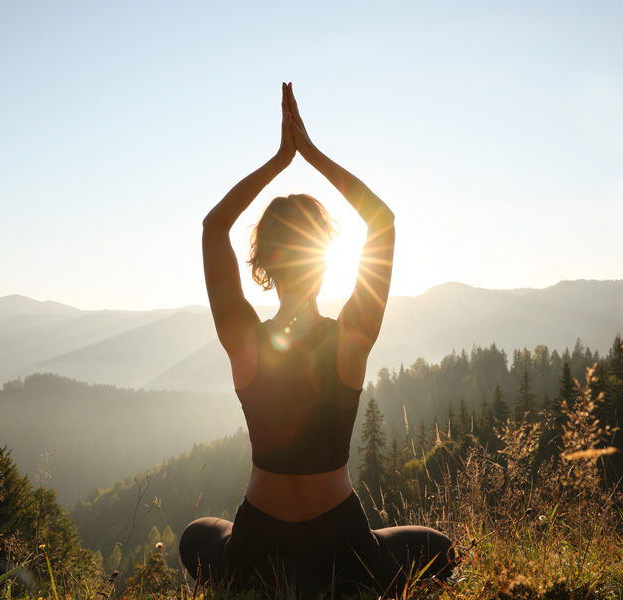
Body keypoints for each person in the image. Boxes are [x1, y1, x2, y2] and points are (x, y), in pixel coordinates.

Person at [179, 83, 454, 597]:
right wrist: (310, 152)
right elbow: (383, 221)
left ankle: (265, 583)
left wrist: (279, 161)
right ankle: (338, 583)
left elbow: (214, 227)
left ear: (262, 267)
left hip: (259, 540)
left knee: (197, 536)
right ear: (325, 260)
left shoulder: (243, 339)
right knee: (440, 548)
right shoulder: (352, 337)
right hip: (342, 542)